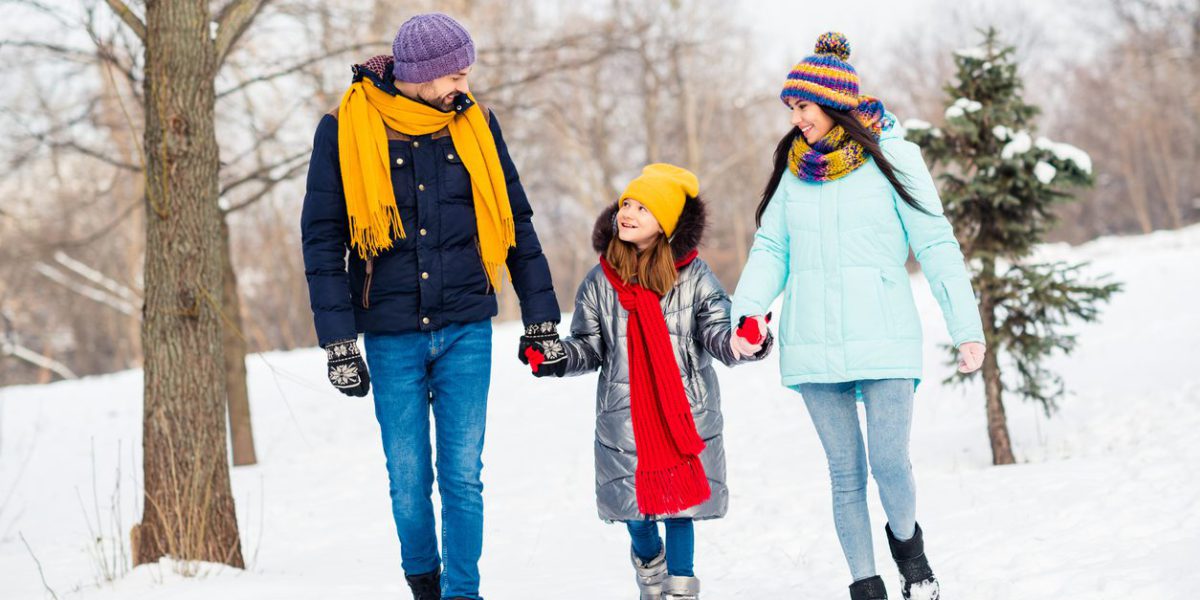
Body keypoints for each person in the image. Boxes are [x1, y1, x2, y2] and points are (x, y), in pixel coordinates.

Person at [299, 13, 561, 600]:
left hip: (466, 325)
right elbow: (322, 240)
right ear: (421, 74)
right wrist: (338, 341)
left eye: (467, 72)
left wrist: (541, 316)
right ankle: (425, 583)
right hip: (391, 334)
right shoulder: (344, 128)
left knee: (463, 478)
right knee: (408, 481)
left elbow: (514, 219)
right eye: (456, 74)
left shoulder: (476, 123)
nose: (463, 85)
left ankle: (463, 593)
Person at [730, 32, 987, 600]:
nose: (796, 119)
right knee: (845, 476)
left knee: (889, 463)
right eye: (791, 108)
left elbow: (937, 244)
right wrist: (746, 312)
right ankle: (865, 587)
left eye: (803, 106)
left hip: (883, 334)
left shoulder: (893, 156)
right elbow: (772, 249)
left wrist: (965, 328)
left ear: (833, 102)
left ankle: (910, 552)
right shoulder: (795, 171)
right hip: (812, 341)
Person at [526, 164, 771, 600]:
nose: (628, 213)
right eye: (626, 204)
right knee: (636, 515)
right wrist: (557, 357)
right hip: (626, 418)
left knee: (680, 510)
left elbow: (718, 331)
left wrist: (744, 340)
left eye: (642, 207)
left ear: (667, 224)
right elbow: (589, 344)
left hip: (683, 414)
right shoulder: (600, 280)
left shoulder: (694, 277)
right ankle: (649, 562)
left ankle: (680, 588)